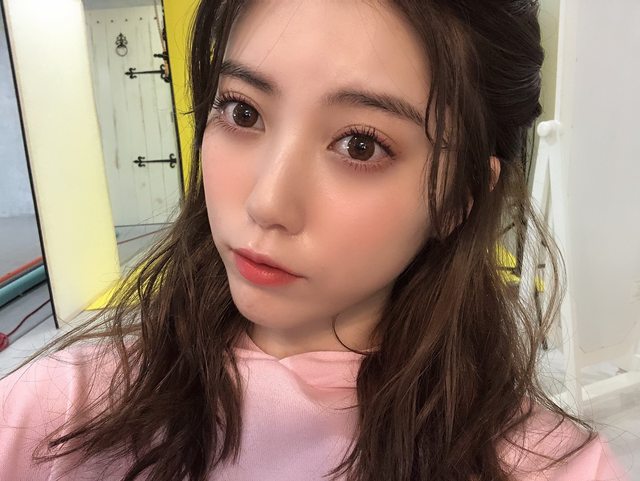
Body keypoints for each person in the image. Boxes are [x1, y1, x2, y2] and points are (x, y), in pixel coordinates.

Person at [0, 1, 630, 480]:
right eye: (243, 111)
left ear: (459, 196)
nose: (267, 203)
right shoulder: (53, 414)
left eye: (360, 145)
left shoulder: (548, 467)